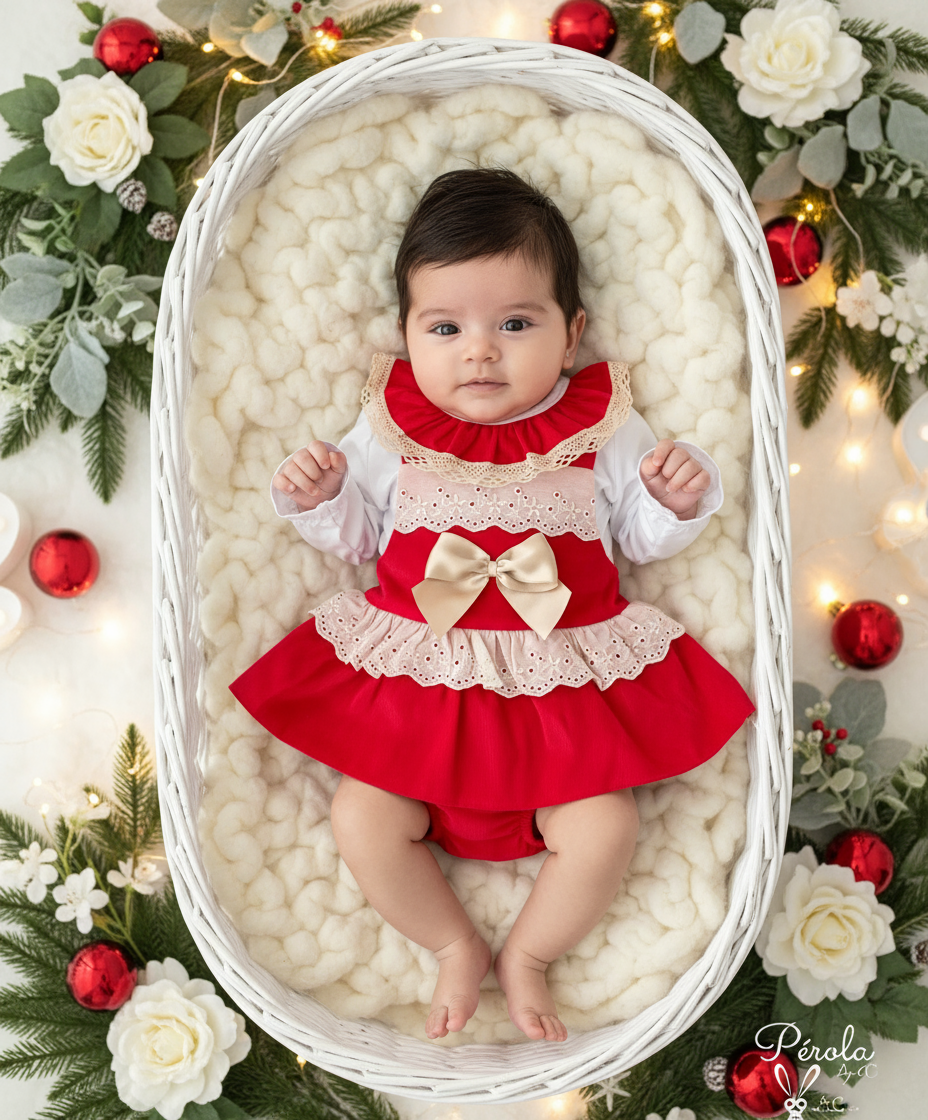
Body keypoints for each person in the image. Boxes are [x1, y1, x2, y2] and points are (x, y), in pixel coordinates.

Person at [230, 168, 754, 1044]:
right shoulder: (391, 427)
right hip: (419, 701)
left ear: (572, 333)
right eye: (445, 328)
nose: (480, 351)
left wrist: (671, 499)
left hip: (558, 703)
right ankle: (452, 943)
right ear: (407, 335)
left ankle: (531, 955)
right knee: (362, 814)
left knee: (605, 825)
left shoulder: (603, 425)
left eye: (515, 324)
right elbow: (361, 540)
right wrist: (322, 496)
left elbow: (637, 537)